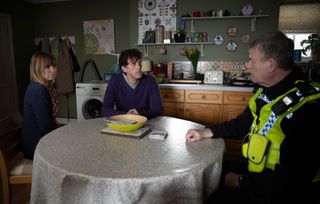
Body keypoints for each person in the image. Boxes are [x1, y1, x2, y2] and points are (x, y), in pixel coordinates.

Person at [186, 31, 320, 204]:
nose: (248, 65)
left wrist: (240, 181)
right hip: (259, 171)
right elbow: (243, 124)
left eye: (252, 60)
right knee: (212, 172)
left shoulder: (307, 108)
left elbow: (291, 179)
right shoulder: (266, 90)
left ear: (271, 65)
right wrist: (207, 132)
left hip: (283, 192)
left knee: (215, 199)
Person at [101, 48, 163, 119]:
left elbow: (158, 110)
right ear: (124, 68)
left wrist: (139, 113)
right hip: (123, 123)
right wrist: (125, 115)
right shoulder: (115, 81)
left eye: (139, 63)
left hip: (146, 123)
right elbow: (105, 109)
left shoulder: (151, 81)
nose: (139, 67)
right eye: (134, 64)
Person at [21, 51, 58, 160]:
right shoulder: (38, 90)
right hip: (36, 148)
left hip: (33, 142)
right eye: (48, 67)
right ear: (38, 69)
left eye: (54, 66)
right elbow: (45, 126)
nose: (53, 69)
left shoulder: (34, 86)